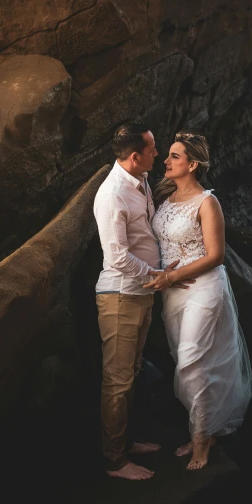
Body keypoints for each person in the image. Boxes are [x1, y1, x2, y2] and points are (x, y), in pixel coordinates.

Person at [145, 133, 252, 470]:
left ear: (192, 165)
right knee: (185, 361)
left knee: (191, 359)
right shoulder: (166, 199)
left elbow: (217, 255)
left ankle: (201, 439)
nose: (166, 160)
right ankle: (202, 428)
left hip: (203, 288)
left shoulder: (208, 203)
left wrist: (171, 277)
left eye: (174, 156)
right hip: (172, 293)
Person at [93, 121, 188, 481]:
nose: (157, 154)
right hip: (120, 297)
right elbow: (117, 257)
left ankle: (126, 441)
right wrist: (158, 277)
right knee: (117, 380)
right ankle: (114, 461)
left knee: (130, 375)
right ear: (135, 157)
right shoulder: (113, 194)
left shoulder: (141, 181)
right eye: (151, 150)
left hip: (140, 295)